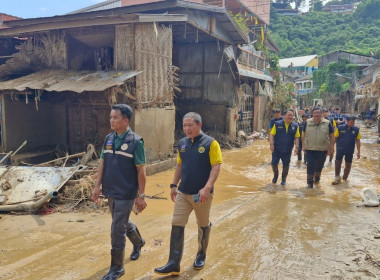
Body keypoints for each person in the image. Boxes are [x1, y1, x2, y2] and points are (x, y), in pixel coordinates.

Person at [154, 112, 222, 276]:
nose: (186, 129)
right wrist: (173, 185)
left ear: (199, 125)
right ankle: (173, 263)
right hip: (183, 192)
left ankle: (201, 255)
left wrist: (207, 187)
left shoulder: (211, 143)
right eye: (184, 125)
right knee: (177, 223)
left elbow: (216, 166)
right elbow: (179, 165)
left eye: (190, 125)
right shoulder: (182, 143)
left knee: (203, 224)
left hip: (202, 195)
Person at [92, 104, 147, 280]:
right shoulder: (109, 138)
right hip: (110, 190)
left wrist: (141, 196)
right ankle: (138, 241)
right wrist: (96, 186)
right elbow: (102, 164)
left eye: (115, 118)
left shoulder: (136, 142)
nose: (111, 120)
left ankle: (117, 268)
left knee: (117, 229)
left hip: (126, 192)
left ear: (126, 120)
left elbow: (141, 171)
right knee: (120, 223)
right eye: (110, 117)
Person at [302, 106, 335, 189]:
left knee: (319, 166)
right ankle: (309, 183)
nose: (317, 114)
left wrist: (331, 147)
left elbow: (332, 136)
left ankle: (317, 179)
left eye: (318, 113)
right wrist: (303, 145)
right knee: (310, 165)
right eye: (315, 113)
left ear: (321, 114)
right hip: (310, 149)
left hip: (322, 149)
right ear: (312, 114)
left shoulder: (327, 123)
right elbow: (303, 134)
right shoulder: (307, 122)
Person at [269, 109, 300, 186]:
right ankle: (275, 175)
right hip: (277, 149)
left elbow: (297, 137)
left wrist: (297, 148)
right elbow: (272, 134)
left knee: (286, 165)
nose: (290, 117)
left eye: (291, 115)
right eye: (289, 115)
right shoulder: (277, 124)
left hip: (287, 150)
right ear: (284, 115)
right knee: (274, 163)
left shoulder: (295, 126)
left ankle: (283, 179)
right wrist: (271, 144)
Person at [332, 115, 361, 184]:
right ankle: (337, 177)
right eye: (351, 122)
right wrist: (332, 148)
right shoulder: (339, 128)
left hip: (350, 150)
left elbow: (358, 141)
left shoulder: (356, 129)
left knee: (348, 164)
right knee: (338, 163)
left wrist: (358, 152)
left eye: (353, 122)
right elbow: (335, 138)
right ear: (347, 121)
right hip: (340, 149)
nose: (353, 123)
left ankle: (345, 178)